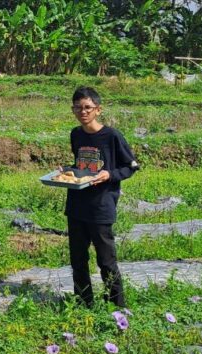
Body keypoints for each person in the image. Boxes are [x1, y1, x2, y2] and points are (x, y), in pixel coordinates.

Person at [64, 86, 139, 308]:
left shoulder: (112, 136)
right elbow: (81, 166)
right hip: (77, 206)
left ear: (98, 109)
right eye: (78, 108)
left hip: (101, 206)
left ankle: (116, 307)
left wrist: (110, 174)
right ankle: (83, 303)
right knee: (78, 261)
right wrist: (67, 171)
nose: (83, 112)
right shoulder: (76, 134)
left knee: (106, 261)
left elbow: (131, 166)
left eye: (87, 107)